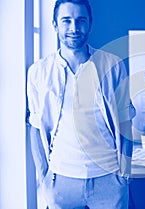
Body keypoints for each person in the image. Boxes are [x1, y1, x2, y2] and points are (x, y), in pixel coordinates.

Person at [26, 0, 135, 208]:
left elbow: (125, 120)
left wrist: (125, 172)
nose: (74, 28)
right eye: (66, 21)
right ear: (55, 25)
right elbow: (36, 126)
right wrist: (42, 176)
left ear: (90, 24)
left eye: (80, 20)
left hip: (109, 179)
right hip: (61, 180)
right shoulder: (38, 72)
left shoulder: (112, 65)